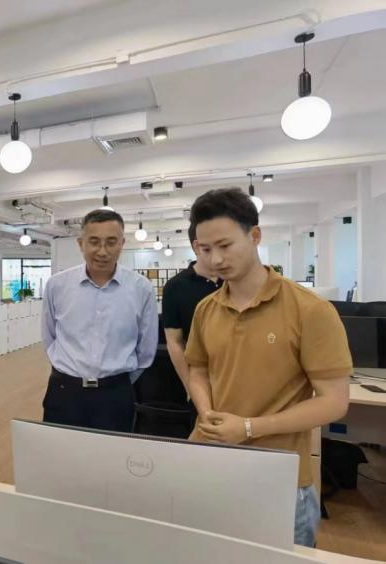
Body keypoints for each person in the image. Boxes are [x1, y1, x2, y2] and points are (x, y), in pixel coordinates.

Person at [184, 188, 351, 548]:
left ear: (255, 235)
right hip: (211, 464)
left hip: (278, 478)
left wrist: (248, 428)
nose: (215, 259)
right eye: (204, 249)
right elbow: (198, 370)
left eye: (225, 245)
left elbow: (334, 402)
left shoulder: (310, 310)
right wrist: (207, 412)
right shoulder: (205, 309)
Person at [42, 209, 158, 432]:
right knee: (59, 452)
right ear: (81, 243)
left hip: (116, 394)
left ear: (122, 244)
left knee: (113, 454)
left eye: (111, 242)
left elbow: (146, 350)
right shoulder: (57, 285)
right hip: (64, 391)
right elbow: (49, 337)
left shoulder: (141, 289)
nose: (102, 251)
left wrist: (116, 382)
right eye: (94, 242)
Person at [161, 222, 221, 420]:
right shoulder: (176, 287)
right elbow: (174, 342)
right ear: (197, 246)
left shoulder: (234, 281)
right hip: (200, 378)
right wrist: (190, 387)